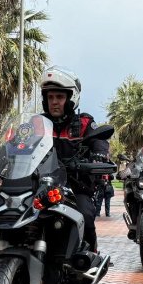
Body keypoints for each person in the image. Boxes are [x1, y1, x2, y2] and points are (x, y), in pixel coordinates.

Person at [40, 66, 109, 257]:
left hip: (75, 186)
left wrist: (99, 155)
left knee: (85, 215)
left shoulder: (84, 123)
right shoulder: (38, 123)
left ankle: (89, 257)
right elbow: (19, 144)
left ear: (71, 98)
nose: (54, 102)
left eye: (59, 97)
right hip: (41, 186)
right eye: (50, 97)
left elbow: (99, 141)